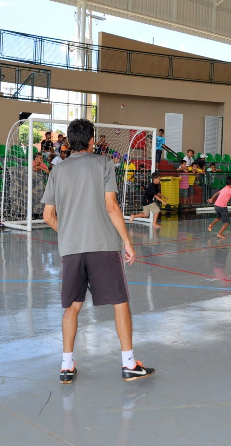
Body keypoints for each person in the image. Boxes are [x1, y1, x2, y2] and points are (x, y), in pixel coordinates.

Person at [42, 118, 154, 384]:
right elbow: (111, 206)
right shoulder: (103, 163)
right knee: (120, 303)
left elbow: (48, 216)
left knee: (72, 306)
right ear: (92, 139)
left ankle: (66, 366)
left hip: (71, 249)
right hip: (103, 246)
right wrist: (127, 241)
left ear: (70, 141)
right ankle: (129, 364)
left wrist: (68, 233)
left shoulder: (57, 170)